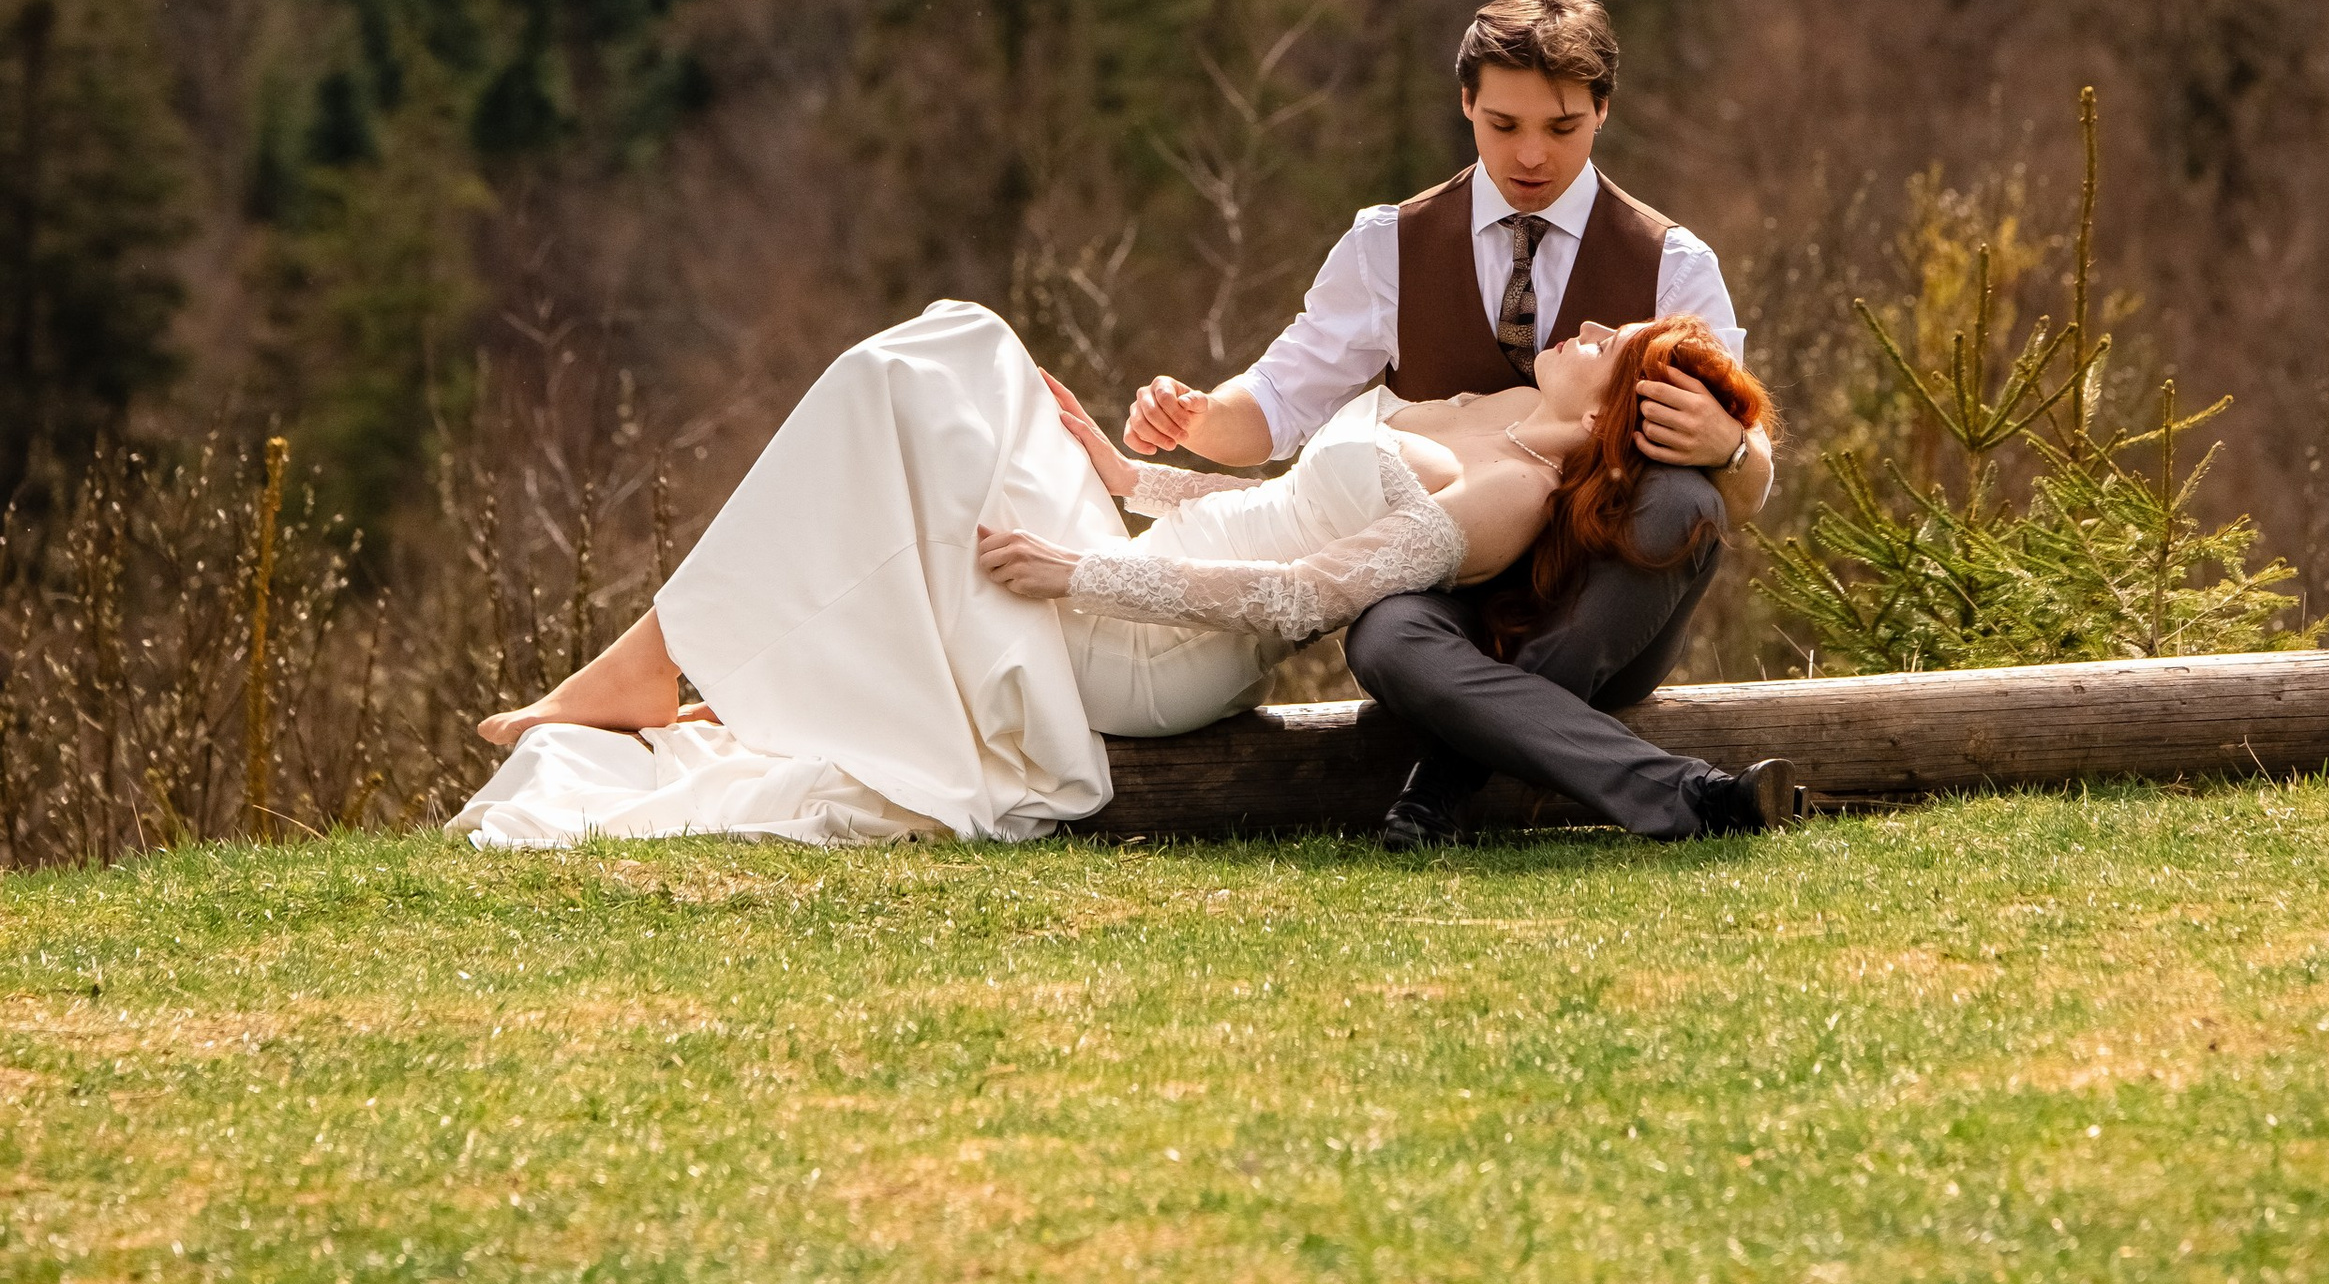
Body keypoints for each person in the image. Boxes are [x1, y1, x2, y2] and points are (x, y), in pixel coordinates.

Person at [447, 288, 1784, 852]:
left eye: (1619, 338)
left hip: (1159, 649)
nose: (1593, 322)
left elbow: (1298, 598)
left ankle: (649, 663)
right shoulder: (1474, 419)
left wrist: (1078, 575)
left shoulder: (1505, 495)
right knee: (952, 346)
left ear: (1624, 400)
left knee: (906, 412)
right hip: (1149, 559)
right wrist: (1130, 478)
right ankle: (667, 659)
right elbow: (1272, 509)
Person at [1121, 0, 1783, 848]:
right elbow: (1279, 402)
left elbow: (1745, 492)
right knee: (1385, 641)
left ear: (1603, 110)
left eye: (1562, 128)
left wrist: (1735, 451)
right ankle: (1686, 795)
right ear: (1466, 104)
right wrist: (1197, 418)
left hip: (1607, 607)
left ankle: (1440, 784)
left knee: (1682, 502)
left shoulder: (1673, 265)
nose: (1533, 156)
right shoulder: (1387, 246)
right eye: (1503, 125)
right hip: (1454, 602)